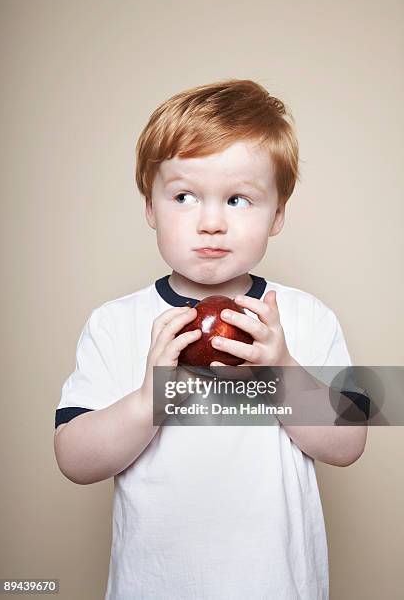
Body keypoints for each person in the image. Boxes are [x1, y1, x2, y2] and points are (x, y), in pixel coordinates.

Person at [54, 79, 368, 599]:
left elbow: (350, 443)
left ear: (278, 215)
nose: (212, 222)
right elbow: (73, 459)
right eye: (184, 196)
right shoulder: (115, 323)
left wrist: (282, 373)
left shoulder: (304, 318)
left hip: (275, 586)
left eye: (239, 199)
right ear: (150, 209)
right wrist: (148, 398)